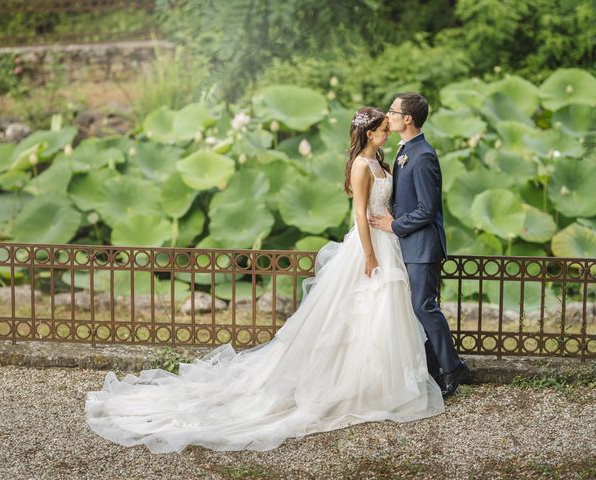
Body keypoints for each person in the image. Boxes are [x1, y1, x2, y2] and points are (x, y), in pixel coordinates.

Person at [85, 107, 444, 454]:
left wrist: (394, 229)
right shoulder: (361, 167)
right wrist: (368, 254)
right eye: (383, 129)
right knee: (356, 311)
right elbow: (360, 214)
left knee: (383, 311)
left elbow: (389, 206)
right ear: (370, 133)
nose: (387, 132)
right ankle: (354, 382)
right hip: (368, 245)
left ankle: (380, 381)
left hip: (389, 240)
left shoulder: (383, 161)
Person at [369, 93, 469, 397]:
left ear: (407, 118)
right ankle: (432, 365)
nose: (389, 115)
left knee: (423, 306)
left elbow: (428, 209)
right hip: (409, 245)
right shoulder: (405, 151)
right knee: (413, 308)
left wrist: (394, 225)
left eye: (393, 111)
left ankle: (452, 367)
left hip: (423, 246)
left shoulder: (424, 155)